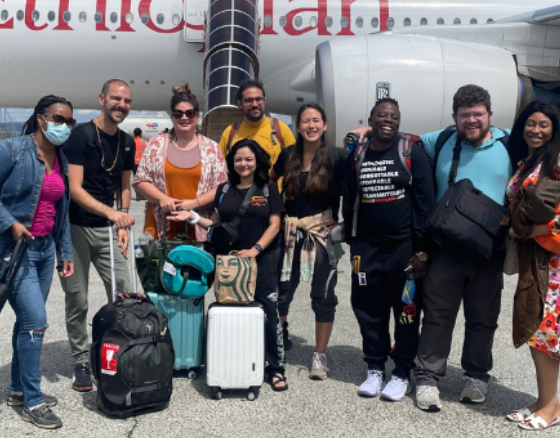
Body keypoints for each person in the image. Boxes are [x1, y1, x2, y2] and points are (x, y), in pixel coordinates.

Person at [410, 84, 560, 412]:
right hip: (445, 247)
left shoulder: (509, 142)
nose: (471, 121)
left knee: (482, 318)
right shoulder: (442, 140)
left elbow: (546, 139)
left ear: (490, 115)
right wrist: (365, 129)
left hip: (489, 249)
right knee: (437, 316)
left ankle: (476, 376)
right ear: (454, 117)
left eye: (478, 114)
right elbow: (409, 140)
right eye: (464, 115)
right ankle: (428, 378)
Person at [0, 95, 76, 429]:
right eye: (58, 119)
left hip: (43, 251)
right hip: (11, 250)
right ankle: (32, 400)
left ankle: (17, 389)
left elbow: (61, 211)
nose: (64, 126)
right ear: (41, 118)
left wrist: (65, 251)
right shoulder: (10, 149)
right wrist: (10, 223)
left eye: (69, 122)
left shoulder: (61, 159)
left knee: (27, 324)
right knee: (37, 323)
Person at [168, 138, 287, 391]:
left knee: (269, 313)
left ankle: (275, 369)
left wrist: (255, 250)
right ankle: (233, 363)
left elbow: (275, 225)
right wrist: (192, 217)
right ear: (232, 163)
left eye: (248, 159)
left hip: (261, 262)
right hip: (229, 265)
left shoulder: (268, 189)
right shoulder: (223, 191)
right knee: (229, 313)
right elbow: (217, 226)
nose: (243, 164)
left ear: (257, 162)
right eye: (238, 159)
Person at [504, 100, 560, 431]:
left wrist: (535, 230)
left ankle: (553, 406)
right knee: (536, 326)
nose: (536, 130)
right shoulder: (528, 159)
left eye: (544, 124)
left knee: (548, 332)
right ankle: (542, 400)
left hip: (559, 262)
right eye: (531, 124)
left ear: (555, 128)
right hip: (537, 258)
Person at [342, 98, 435, 402]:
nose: (389, 120)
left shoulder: (411, 150)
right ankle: (374, 367)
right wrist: (351, 238)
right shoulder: (359, 153)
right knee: (368, 308)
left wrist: (421, 252)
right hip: (366, 250)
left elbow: (424, 203)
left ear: (399, 120)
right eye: (382, 115)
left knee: (406, 310)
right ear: (371, 119)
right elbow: (349, 195)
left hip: (404, 251)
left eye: (394, 116)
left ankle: (401, 371)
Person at [59, 79, 136, 393]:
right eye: (116, 99)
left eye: (127, 100)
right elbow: (74, 190)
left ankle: (116, 352)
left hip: (108, 231)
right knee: (77, 298)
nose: (122, 105)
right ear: (102, 99)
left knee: (125, 295)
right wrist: (112, 213)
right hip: (76, 229)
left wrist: (123, 222)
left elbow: (125, 186)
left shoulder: (127, 142)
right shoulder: (81, 136)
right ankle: (80, 359)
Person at [271, 103, 347, 380]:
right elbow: (270, 182)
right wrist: (275, 215)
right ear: (299, 126)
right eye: (305, 121)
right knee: (281, 293)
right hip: (290, 231)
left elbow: (352, 190)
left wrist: (342, 222)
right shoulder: (288, 154)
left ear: (324, 125)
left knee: (324, 296)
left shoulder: (337, 158)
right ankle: (276, 347)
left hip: (321, 232)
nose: (311, 126)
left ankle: (319, 355)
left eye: (316, 120)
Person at [134, 83, 226, 242]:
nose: (184, 117)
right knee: (159, 265)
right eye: (178, 113)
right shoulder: (156, 145)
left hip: (198, 223)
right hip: (160, 222)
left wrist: (194, 203)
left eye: (189, 113)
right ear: (172, 117)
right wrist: (162, 199)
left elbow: (221, 186)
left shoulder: (212, 148)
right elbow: (141, 180)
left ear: (197, 116)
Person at [218, 80, 295, 161]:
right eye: (249, 100)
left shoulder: (281, 129)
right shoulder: (230, 133)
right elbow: (219, 167)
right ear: (240, 104)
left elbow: (294, 162)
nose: (254, 104)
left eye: (258, 99)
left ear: (264, 101)